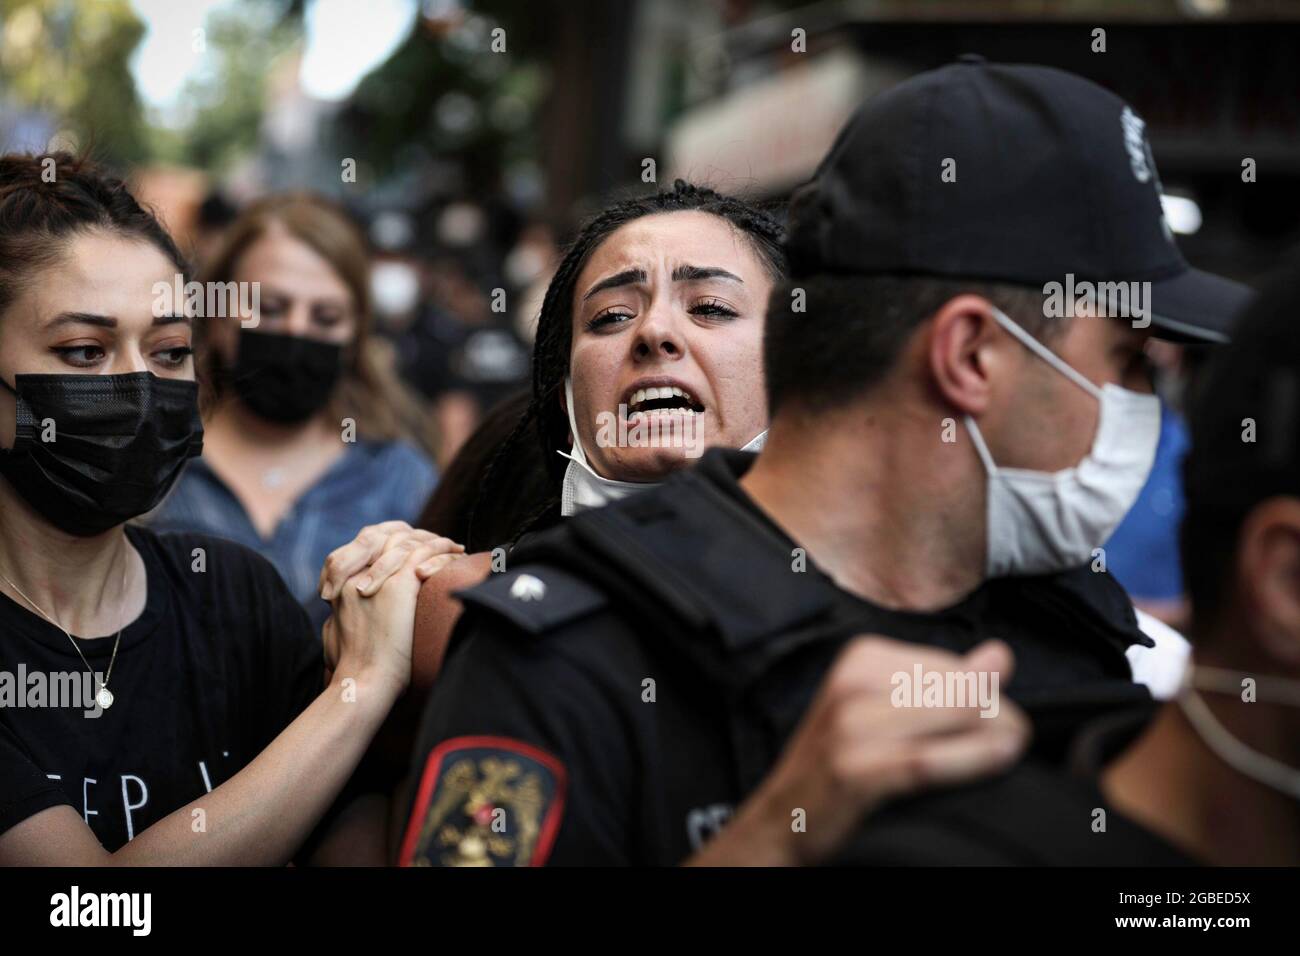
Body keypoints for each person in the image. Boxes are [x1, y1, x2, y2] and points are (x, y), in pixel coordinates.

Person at [397, 58, 1251, 866]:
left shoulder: (1088, 639)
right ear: (973, 357)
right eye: (1129, 360)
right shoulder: (567, 649)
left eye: (711, 306)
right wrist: (771, 839)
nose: (1140, 401)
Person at [0, 154, 436, 864]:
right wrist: (358, 688)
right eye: (84, 352)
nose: (140, 387)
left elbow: (354, 820)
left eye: (170, 352)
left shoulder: (236, 594)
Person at [846, 263, 1299, 866]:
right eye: (1124, 358)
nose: (1136, 404)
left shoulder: (1114, 656)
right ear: (1287, 584)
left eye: (1145, 366)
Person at [146, 193, 441, 633]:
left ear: (355, 334)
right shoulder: (152, 466)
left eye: (325, 317)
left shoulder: (401, 480)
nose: (296, 331)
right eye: (269, 309)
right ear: (220, 317)